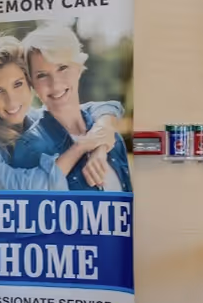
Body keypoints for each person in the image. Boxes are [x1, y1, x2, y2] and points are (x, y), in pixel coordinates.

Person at [0, 35, 122, 190]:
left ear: (30, 83)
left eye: (18, 84)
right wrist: (81, 146)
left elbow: (104, 107)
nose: (11, 101)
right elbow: (22, 188)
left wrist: (102, 138)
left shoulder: (35, 118)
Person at [11, 25, 132, 192]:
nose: (55, 84)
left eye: (62, 68)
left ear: (78, 68)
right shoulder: (30, 147)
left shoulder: (112, 138)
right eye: (42, 75)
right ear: (31, 83)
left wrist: (100, 143)